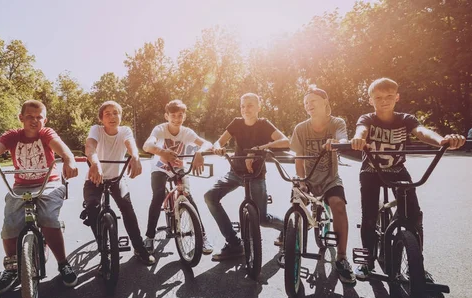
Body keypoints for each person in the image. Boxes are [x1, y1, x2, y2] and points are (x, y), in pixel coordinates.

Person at [350, 78, 466, 279]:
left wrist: (442, 141)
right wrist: (358, 138)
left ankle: (417, 266)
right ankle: (367, 261)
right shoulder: (367, 118)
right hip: (371, 170)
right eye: (378, 97)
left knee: (413, 214)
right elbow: (361, 130)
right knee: (369, 216)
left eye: (388, 97)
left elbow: (421, 131)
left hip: (396, 169)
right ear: (371, 100)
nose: (384, 101)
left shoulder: (406, 119)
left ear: (397, 97)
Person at [0, 100, 80, 294]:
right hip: (21, 187)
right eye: (29, 117)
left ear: (45, 119)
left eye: (39, 117)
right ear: (21, 118)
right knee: (10, 224)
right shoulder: (13, 136)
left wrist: (69, 158)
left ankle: (63, 263)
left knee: (48, 219)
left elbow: (60, 147)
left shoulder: (46, 133)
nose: (34, 121)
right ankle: (11, 266)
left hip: (48, 183)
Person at [206, 93, 289, 261]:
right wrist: (217, 148)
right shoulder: (236, 123)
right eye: (242, 106)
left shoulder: (264, 124)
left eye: (250, 105)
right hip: (235, 173)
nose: (245, 109)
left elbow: (285, 141)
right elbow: (218, 142)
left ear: (259, 107)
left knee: (262, 219)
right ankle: (234, 244)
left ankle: (288, 229)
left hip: (256, 175)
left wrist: (259, 148)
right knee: (210, 196)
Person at [288, 85, 355, 283]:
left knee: (338, 205)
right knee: (295, 207)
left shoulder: (336, 123)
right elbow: (298, 159)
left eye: (313, 101)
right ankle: (290, 242)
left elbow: (343, 138)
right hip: (307, 179)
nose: (309, 105)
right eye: (306, 103)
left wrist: (337, 142)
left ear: (325, 103)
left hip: (330, 179)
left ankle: (342, 257)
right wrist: (301, 181)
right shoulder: (300, 128)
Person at [81, 100, 155, 265]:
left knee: (127, 208)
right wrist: (94, 162)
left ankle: (139, 248)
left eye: (116, 113)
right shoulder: (96, 130)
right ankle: (103, 250)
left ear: (120, 116)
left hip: (116, 178)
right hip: (95, 178)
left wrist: (135, 156)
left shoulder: (125, 130)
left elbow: (131, 145)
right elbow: (90, 147)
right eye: (107, 114)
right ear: (101, 119)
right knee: (93, 208)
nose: (112, 116)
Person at [142, 99, 214, 254]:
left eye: (180, 115)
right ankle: (149, 237)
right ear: (166, 116)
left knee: (188, 195)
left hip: (178, 168)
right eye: (173, 115)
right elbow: (147, 145)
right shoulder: (160, 129)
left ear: (184, 117)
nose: (176, 119)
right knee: (158, 196)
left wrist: (200, 152)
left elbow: (207, 143)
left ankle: (202, 236)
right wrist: (162, 152)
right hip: (160, 168)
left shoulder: (187, 132)